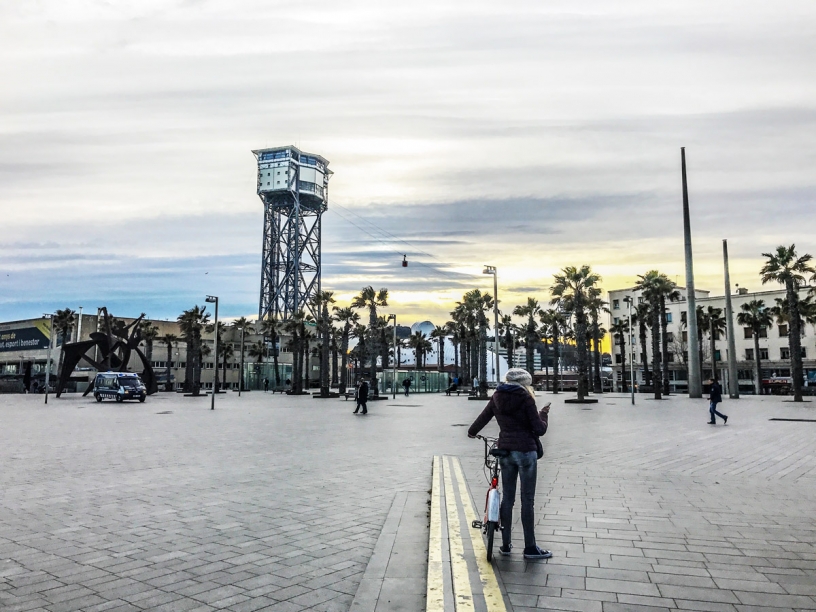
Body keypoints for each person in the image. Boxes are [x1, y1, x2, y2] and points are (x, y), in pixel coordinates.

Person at [468, 368, 552, 560]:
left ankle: (505, 546)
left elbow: (482, 418)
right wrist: (544, 415)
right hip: (525, 452)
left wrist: (472, 432)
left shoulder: (497, 396)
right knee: (527, 500)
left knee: (508, 498)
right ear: (525, 383)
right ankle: (530, 548)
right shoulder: (526, 398)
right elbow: (539, 429)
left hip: (505, 451)